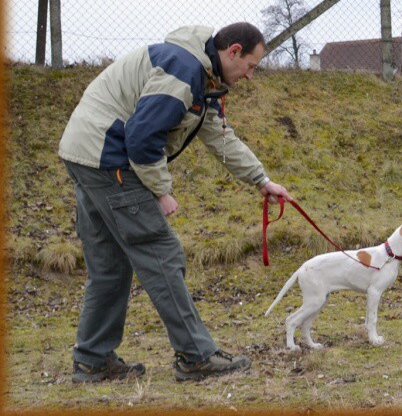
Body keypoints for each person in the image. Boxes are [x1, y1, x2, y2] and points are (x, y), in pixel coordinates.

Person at [58, 23, 293, 383]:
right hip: (110, 157)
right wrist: (161, 190)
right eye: (251, 65)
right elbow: (140, 137)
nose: (250, 76)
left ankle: (92, 361)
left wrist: (261, 180)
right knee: (162, 255)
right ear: (233, 51)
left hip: (85, 154)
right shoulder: (183, 74)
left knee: (109, 266)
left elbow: (219, 136)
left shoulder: (203, 79)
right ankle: (196, 357)